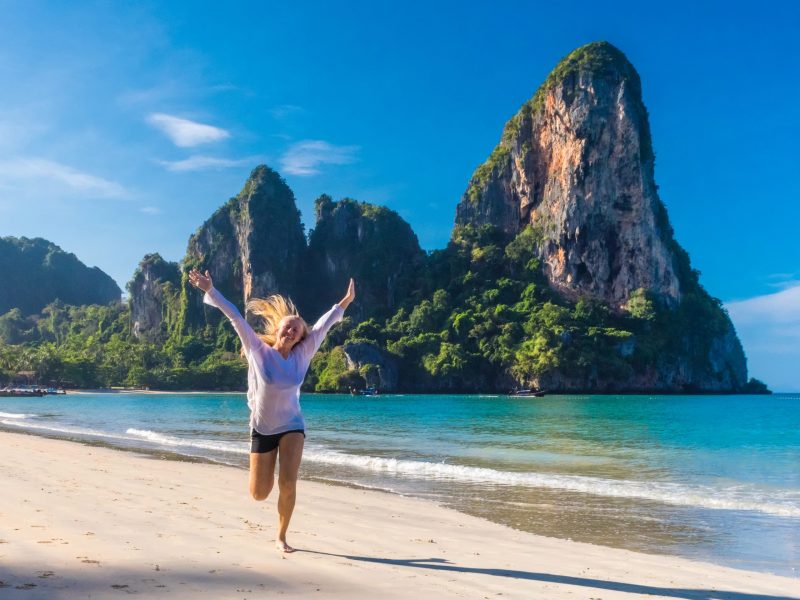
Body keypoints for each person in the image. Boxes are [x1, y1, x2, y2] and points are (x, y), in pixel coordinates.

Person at [188, 268, 355, 552]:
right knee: (259, 493)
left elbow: (324, 325)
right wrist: (210, 290)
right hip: (262, 428)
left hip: (292, 426)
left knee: (288, 483)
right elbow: (235, 317)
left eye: (296, 330)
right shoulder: (257, 350)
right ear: (277, 330)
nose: (291, 331)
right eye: (287, 327)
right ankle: (264, 478)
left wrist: (346, 301)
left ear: (300, 337)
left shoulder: (303, 354)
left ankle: (281, 536)